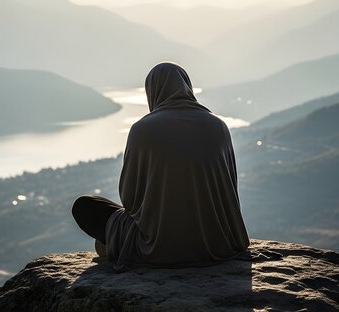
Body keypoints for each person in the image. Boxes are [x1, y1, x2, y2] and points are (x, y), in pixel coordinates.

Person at [72, 62, 250, 271]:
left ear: (152, 91)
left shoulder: (142, 130)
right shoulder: (218, 126)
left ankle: (115, 246)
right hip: (218, 244)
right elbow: (229, 189)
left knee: (85, 206)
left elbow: (130, 198)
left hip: (158, 248)